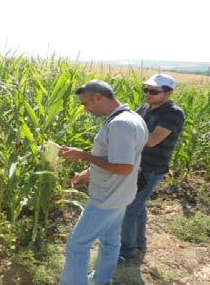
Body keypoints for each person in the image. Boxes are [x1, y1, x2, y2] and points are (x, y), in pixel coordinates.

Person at [59, 80, 148, 285]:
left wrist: (83, 156)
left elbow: (124, 167)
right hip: (121, 195)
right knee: (110, 242)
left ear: (98, 97)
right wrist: (89, 173)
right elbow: (117, 157)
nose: (85, 109)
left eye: (85, 103)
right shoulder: (133, 117)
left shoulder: (120, 124)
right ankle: (101, 280)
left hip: (107, 197)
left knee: (77, 244)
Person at [120, 74, 185, 261]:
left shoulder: (173, 113)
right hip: (138, 165)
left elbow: (153, 140)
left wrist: (127, 131)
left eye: (154, 91)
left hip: (152, 168)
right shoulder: (146, 108)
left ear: (168, 93)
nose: (149, 94)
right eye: (146, 90)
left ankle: (127, 251)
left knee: (130, 209)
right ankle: (139, 243)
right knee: (138, 207)